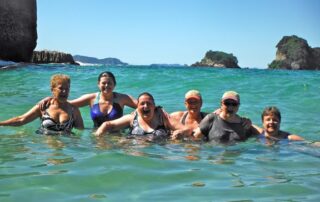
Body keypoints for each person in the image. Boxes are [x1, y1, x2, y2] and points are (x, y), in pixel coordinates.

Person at [40, 71, 137, 127]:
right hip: (97, 137)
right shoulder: (91, 98)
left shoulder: (123, 98)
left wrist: (134, 113)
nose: (106, 85)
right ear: (98, 84)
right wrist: (50, 99)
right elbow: (67, 103)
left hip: (118, 137)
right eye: (103, 83)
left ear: (114, 85)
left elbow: (144, 106)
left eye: (109, 83)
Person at [0, 74, 84, 135]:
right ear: (52, 90)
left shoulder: (73, 109)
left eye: (67, 89)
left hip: (66, 148)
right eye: (61, 88)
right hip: (46, 149)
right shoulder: (43, 106)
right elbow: (21, 120)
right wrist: (1, 124)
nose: (64, 92)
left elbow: (81, 131)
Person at [95, 92, 178, 142]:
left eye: (149, 103)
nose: (145, 106)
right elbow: (107, 125)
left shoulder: (163, 118)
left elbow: (184, 128)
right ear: (137, 106)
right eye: (142, 104)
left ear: (154, 106)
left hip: (159, 155)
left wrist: (178, 134)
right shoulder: (132, 118)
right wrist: (99, 140)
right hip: (136, 154)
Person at [193, 91, 259, 144]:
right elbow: (195, 139)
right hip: (215, 158)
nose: (230, 107)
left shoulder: (245, 124)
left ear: (238, 106)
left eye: (234, 104)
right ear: (221, 104)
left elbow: (262, 135)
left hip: (236, 159)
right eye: (227, 103)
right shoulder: (211, 119)